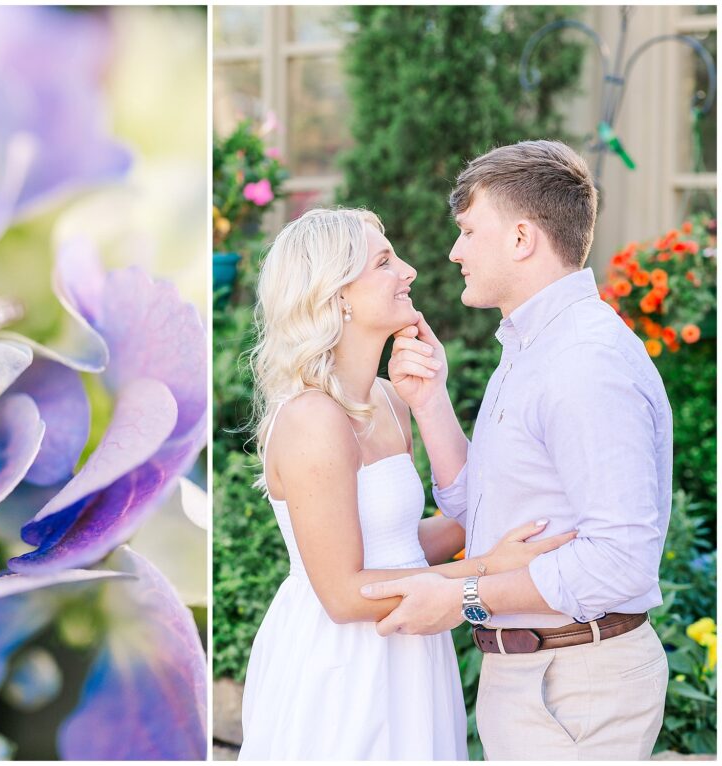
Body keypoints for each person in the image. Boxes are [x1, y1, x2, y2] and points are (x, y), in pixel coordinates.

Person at [361, 140, 673, 759]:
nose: (454, 252)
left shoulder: (584, 362)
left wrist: (464, 596)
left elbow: (620, 561)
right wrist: (430, 402)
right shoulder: (533, 348)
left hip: (578, 682)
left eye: (469, 231)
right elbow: (481, 511)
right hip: (540, 679)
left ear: (522, 238)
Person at [237, 206, 575, 760]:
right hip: (344, 662)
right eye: (384, 261)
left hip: (410, 648)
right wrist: (492, 565)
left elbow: (395, 543)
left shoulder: (389, 401)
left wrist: (510, 522)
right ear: (337, 294)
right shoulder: (311, 418)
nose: (410, 270)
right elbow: (345, 595)